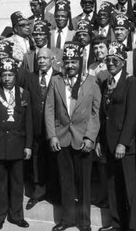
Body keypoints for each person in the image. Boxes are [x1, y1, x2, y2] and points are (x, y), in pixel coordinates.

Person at [45, 41, 101, 231]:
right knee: (65, 181)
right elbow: (49, 110)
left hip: (83, 139)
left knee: (84, 183)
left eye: (73, 61)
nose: (70, 65)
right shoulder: (56, 80)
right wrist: (52, 136)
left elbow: (96, 112)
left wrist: (90, 137)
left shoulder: (91, 82)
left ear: (80, 61)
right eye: (67, 61)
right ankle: (67, 220)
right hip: (62, 139)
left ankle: (84, 222)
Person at [0, 57, 33, 230]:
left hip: (18, 145)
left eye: (10, 74)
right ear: (0, 76)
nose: (7, 78)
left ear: (15, 75)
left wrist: (28, 145)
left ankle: (17, 216)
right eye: (4, 75)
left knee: (18, 183)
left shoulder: (24, 93)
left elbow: (28, 122)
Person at [99, 42, 136, 231]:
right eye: (108, 60)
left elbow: (132, 115)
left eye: (115, 60)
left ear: (123, 62)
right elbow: (104, 115)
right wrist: (100, 141)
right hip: (108, 141)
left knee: (130, 188)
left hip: (124, 145)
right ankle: (116, 223)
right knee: (113, 185)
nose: (111, 63)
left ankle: (133, 227)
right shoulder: (106, 83)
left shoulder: (131, 82)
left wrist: (123, 143)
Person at [25, 48, 63, 209]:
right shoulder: (30, 78)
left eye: (45, 58)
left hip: (54, 126)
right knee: (36, 159)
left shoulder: (58, 76)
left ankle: (54, 192)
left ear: (52, 59)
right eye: (39, 58)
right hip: (34, 125)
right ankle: (38, 192)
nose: (41, 61)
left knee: (54, 159)